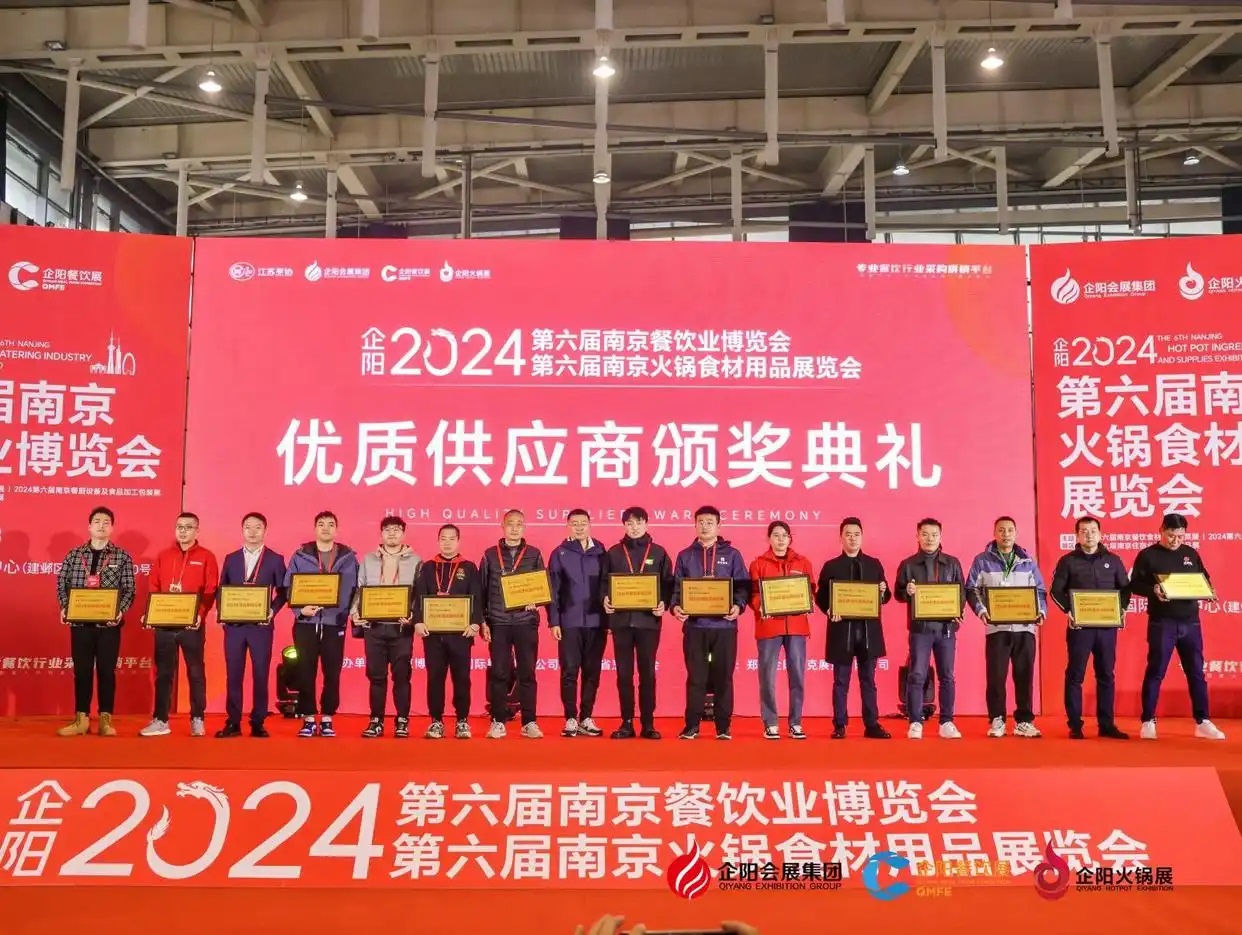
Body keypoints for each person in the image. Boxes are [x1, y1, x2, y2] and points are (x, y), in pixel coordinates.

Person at [1130, 513, 1226, 740]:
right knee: (1156, 671)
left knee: (1196, 672)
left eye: (1180, 537)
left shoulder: (1190, 554)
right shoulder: (1148, 555)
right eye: (1171, 536)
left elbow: (1204, 578)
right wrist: (1153, 589)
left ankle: (1203, 721)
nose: (1175, 541)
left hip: (1190, 622)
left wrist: (1209, 591)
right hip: (1162, 622)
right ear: (1161, 531)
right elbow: (1133, 584)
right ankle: (1148, 720)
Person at [55, 506, 136, 737]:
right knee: (81, 672)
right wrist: (65, 607)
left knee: (106, 672)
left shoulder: (121, 556)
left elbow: (129, 589)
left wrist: (120, 611)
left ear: (112, 528)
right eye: (97, 521)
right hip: (80, 624)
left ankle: (105, 720)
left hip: (108, 626)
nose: (101, 525)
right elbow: (61, 584)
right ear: (89, 526)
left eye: (106, 522)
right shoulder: (74, 555)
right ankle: (81, 719)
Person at [671, 506, 750, 740]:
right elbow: (677, 588)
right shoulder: (685, 555)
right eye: (701, 522)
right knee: (696, 677)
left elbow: (743, 586)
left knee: (724, 677)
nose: (705, 526)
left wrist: (738, 606)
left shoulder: (732, 554)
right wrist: (676, 607)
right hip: (695, 627)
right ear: (695, 524)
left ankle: (723, 726)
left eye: (709, 522)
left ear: (718, 526)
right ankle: (692, 725)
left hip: (724, 627)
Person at [966, 516, 1047, 739]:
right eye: (1001, 530)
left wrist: (1041, 612)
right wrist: (982, 611)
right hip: (997, 629)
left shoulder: (1027, 561)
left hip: (1025, 629)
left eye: (1010, 530)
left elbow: (1040, 591)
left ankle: (1024, 721)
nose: (1006, 534)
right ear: (994, 533)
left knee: (1024, 676)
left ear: (1016, 533)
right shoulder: (982, 560)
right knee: (996, 677)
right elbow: (971, 589)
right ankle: (997, 719)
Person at [140, 511, 219, 738]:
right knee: (164, 673)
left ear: (197, 530)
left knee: (195, 672)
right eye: (179, 527)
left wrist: (200, 614)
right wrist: (151, 614)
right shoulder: (164, 556)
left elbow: (210, 589)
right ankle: (161, 719)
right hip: (164, 623)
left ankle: (197, 718)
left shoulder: (206, 556)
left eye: (188, 527)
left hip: (191, 624)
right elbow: (154, 586)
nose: (183, 531)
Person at [1049, 516, 1129, 740]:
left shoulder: (1113, 560)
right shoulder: (1068, 561)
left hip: (1106, 628)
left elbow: (1125, 589)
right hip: (1080, 628)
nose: (1089, 535)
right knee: (1075, 675)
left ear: (1100, 534)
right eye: (1083, 531)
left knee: (1106, 675)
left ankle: (1106, 725)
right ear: (1077, 535)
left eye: (1093, 531)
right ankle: (1075, 725)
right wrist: (1069, 611)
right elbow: (1056, 590)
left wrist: (1121, 609)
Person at [283, 511, 359, 738]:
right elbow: (288, 587)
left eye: (331, 524)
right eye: (321, 524)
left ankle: (327, 718)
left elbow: (356, 589)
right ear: (315, 528)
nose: (326, 528)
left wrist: (348, 613)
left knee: (332, 671)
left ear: (337, 529)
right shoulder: (300, 556)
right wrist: (300, 610)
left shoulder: (348, 557)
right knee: (305, 670)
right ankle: (308, 717)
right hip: (306, 622)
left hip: (334, 623)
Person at [815, 517, 892, 740]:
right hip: (842, 632)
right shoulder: (831, 566)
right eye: (848, 534)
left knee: (869, 681)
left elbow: (885, 597)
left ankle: (872, 724)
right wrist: (829, 609)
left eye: (856, 534)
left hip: (869, 633)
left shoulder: (874, 564)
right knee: (841, 681)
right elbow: (821, 597)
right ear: (841, 537)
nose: (852, 538)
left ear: (862, 537)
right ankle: (839, 725)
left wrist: (882, 591)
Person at [601, 507, 674, 739]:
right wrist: (604, 599)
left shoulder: (659, 553)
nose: (634, 527)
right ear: (623, 525)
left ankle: (648, 724)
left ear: (647, 524)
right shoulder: (613, 552)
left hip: (648, 623)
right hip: (621, 622)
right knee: (624, 674)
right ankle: (626, 722)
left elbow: (669, 584)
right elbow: (603, 583)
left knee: (647, 674)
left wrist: (664, 603)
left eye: (638, 523)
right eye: (629, 523)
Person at [215, 511, 287, 738]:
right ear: (242, 530)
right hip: (235, 627)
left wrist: (272, 610)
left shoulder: (275, 559)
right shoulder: (231, 558)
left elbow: (284, 592)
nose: (252, 531)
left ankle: (258, 722)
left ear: (265, 530)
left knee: (261, 674)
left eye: (257, 527)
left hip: (260, 627)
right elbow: (222, 589)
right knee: (233, 674)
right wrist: (223, 613)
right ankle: (233, 722)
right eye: (248, 527)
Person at [894, 518, 965, 740]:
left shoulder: (952, 563)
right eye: (924, 534)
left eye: (934, 534)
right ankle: (915, 721)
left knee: (947, 676)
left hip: (946, 629)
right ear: (917, 536)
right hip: (920, 629)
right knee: (916, 674)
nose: (929, 538)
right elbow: (897, 593)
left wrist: (958, 611)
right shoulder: (908, 564)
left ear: (941, 536)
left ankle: (947, 722)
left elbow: (961, 593)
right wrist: (907, 591)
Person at [351, 516, 421, 739]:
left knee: (402, 677)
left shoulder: (416, 561)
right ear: (381, 533)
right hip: (374, 626)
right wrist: (355, 612)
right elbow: (359, 588)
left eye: (396, 529)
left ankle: (402, 720)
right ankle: (376, 720)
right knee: (376, 676)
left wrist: (414, 615)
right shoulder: (368, 559)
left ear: (403, 534)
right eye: (387, 530)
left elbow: (419, 593)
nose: (392, 533)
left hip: (401, 628)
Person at [480, 509, 546, 739]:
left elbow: (542, 586)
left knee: (527, 673)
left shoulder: (534, 554)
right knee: (499, 672)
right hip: (498, 622)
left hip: (525, 622)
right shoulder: (489, 555)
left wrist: (537, 601)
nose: (515, 528)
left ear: (524, 527)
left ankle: (529, 722)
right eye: (510, 524)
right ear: (502, 526)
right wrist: (482, 621)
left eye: (519, 524)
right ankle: (498, 721)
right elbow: (481, 590)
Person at [413, 524, 484, 739]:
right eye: (443, 538)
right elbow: (419, 596)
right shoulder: (427, 567)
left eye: (452, 538)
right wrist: (418, 621)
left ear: (458, 541)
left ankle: (462, 720)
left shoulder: (469, 567)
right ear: (438, 541)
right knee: (435, 678)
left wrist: (475, 623)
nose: (447, 542)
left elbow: (477, 597)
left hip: (461, 634)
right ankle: (436, 721)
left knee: (462, 678)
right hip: (433, 634)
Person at [748, 521, 814, 740]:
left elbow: (810, 589)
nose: (780, 539)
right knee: (767, 676)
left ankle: (796, 723)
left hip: (796, 626)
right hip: (769, 627)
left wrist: (808, 601)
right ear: (769, 538)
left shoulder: (803, 562)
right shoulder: (758, 564)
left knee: (798, 675)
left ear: (790, 538)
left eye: (784, 535)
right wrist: (761, 606)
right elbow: (753, 594)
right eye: (776, 535)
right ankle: (770, 723)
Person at [548, 509, 609, 737]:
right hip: (569, 621)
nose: (580, 527)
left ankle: (586, 717)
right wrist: (554, 621)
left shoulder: (602, 551)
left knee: (592, 672)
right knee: (570, 671)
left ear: (590, 524)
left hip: (597, 622)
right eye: (575, 523)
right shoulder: (560, 553)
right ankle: (571, 718)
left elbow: (609, 587)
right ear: (568, 526)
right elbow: (553, 590)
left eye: (583, 522)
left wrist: (609, 620)